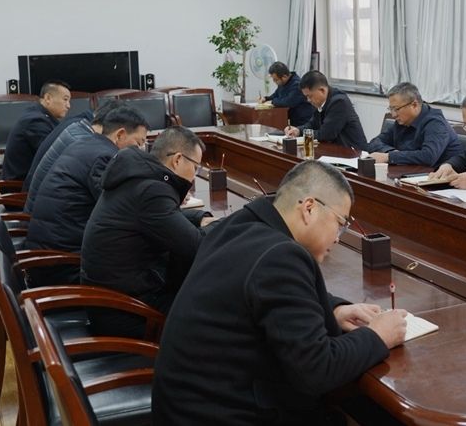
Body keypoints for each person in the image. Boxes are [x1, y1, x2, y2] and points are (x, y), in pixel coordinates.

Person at [152, 160, 407, 425]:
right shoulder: (281, 256)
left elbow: (263, 293)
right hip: (221, 414)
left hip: (182, 406)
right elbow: (317, 370)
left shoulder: (240, 224)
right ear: (309, 208)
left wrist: (334, 309)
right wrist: (378, 335)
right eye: (340, 223)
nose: (338, 237)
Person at [80, 126, 218, 337]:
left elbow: (162, 216)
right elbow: (197, 246)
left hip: (110, 297)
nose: (194, 176)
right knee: (218, 314)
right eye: (195, 167)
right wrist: (227, 224)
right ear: (178, 160)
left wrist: (199, 218)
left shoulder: (139, 176)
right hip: (126, 311)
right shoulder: (152, 191)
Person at [25, 106, 149, 286]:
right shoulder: (104, 158)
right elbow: (123, 211)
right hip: (64, 267)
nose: (140, 150)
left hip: (50, 255)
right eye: (138, 143)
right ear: (120, 134)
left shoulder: (86, 143)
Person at [23, 100, 124, 213]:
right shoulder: (84, 142)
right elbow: (105, 196)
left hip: (42, 206)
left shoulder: (78, 127)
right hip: (40, 211)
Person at [367, 82, 463, 167]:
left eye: (396, 109)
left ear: (414, 105)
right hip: (410, 173)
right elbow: (374, 143)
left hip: (440, 177)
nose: (393, 115)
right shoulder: (402, 121)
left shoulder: (436, 123)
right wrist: (391, 152)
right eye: (391, 109)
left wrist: (389, 157)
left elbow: (428, 156)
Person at [0, 80, 71, 181]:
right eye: (65, 99)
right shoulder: (35, 121)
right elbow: (54, 155)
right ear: (48, 98)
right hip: (20, 186)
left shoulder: (38, 114)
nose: (68, 106)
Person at [283, 71, 367, 151]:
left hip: (352, 152)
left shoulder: (339, 102)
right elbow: (312, 124)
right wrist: (297, 130)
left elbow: (326, 134)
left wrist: (304, 133)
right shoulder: (319, 102)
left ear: (322, 90)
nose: (308, 100)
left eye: (310, 96)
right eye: (306, 97)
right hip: (334, 149)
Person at [258, 61, 314, 127]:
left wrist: (272, 102)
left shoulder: (297, 85)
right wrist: (266, 98)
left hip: (302, 122)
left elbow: (287, 102)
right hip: (291, 120)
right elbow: (276, 94)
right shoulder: (283, 83)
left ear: (284, 76)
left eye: (276, 80)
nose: (274, 82)